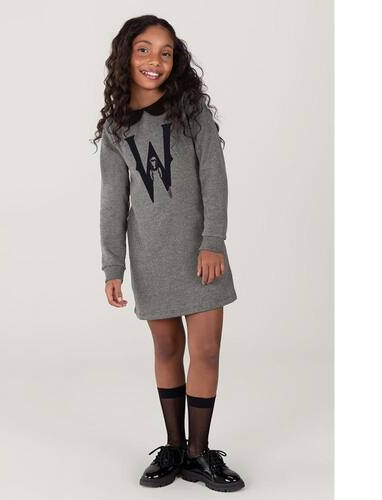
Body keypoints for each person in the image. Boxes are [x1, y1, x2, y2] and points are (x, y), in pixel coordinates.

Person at [92, 14, 245, 493]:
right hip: (150, 256)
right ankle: (174, 447)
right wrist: (113, 266)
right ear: (126, 56)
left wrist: (212, 241)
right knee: (166, 349)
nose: (154, 60)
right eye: (144, 49)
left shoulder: (192, 112)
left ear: (175, 61)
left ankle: (199, 453)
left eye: (165, 52)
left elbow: (214, 178)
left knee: (207, 350)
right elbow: (113, 201)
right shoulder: (116, 130)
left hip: (201, 254)